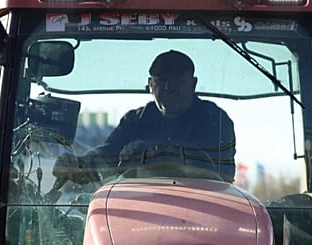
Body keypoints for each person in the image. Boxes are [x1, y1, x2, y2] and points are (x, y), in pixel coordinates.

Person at [54, 50, 237, 183]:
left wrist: (147, 150)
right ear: (150, 84)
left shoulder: (214, 120)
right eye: (161, 81)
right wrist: (79, 164)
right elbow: (108, 153)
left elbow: (209, 166)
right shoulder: (135, 121)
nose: (168, 87)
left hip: (206, 206)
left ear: (193, 84)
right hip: (140, 205)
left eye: (178, 81)